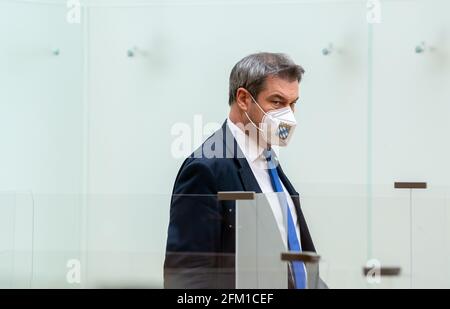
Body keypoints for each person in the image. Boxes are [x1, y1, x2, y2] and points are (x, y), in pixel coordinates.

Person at [164, 52, 320, 289]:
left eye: (293, 104)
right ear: (244, 99)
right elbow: (189, 279)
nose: (287, 115)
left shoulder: (268, 160)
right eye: (277, 102)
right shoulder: (206, 169)